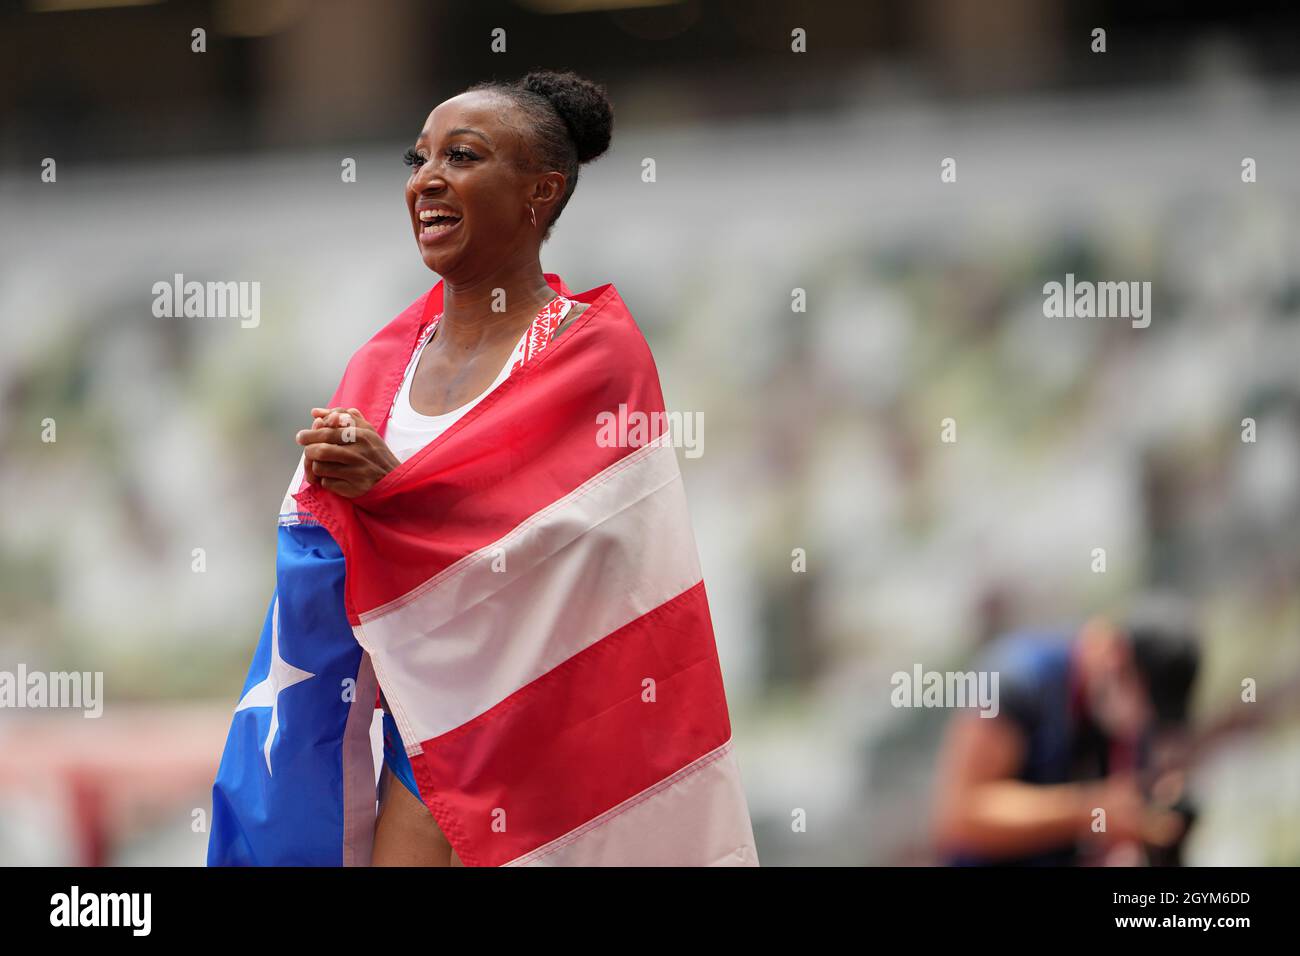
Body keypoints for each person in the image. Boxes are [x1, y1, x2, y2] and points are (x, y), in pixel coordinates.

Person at [206, 69, 756, 867]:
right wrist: (352, 502)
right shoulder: (381, 366)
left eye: (461, 158)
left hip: (559, 756)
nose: (427, 180)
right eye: (418, 158)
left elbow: (570, 556)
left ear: (541, 191)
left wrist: (391, 497)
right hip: (428, 746)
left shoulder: (592, 352)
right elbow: (328, 549)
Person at [930, 610, 1200, 866]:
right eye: (1142, 701)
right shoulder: (1020, 679)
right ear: (1115, 658)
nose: (1138, 720)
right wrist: (1090, 810)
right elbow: (960, 817)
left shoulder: (1118, 722)